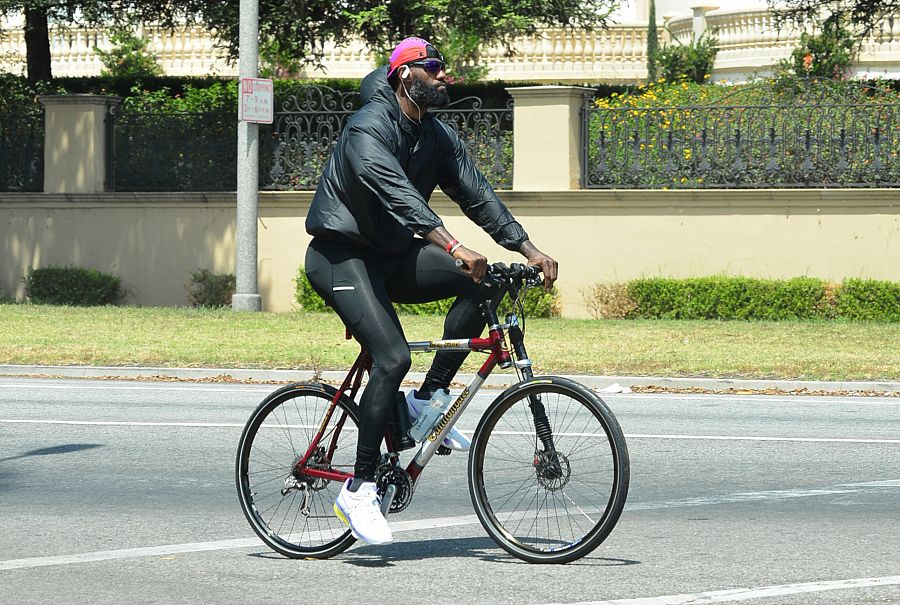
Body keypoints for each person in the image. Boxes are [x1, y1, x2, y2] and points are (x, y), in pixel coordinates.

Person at [304, 37, 558, 545]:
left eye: (444, 69)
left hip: (392, 256)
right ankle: (358, 488)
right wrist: (451, 243)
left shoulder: (435, 137)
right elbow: (393, 191)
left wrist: (527, 248)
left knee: (484, 281)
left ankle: (427, 399)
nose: (445, 77)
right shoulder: (367, 127)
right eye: (434, 69)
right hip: (340, 255)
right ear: (405, 75)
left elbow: (478, 195)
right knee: (392, 358)